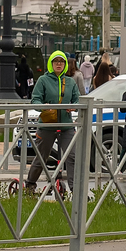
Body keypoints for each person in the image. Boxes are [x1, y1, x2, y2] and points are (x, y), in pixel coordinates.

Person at [26, 51, 81, 194]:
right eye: (55, 61)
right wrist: (43, 107)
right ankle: (30, 184)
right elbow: (35, 99)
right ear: (51, 64)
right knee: (41, 157)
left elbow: (78, 99)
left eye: (61, 62)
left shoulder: (69, 81)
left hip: (66, 125)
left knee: (72, 156)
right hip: (47, 125)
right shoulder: (43, 80)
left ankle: (76, 191)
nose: (58, 64)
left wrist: (74, 106)